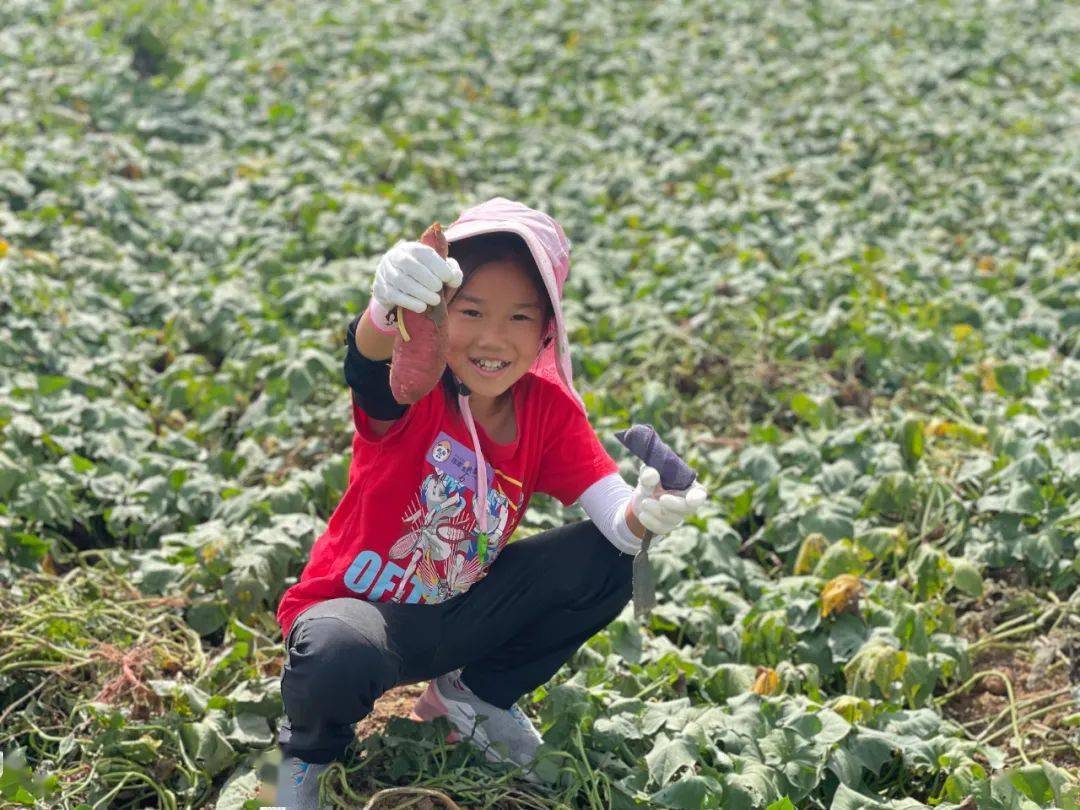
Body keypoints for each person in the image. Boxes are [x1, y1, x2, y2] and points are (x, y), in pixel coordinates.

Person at [275, 197, 708, 808]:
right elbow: (368, 365)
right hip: (360, 613)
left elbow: (613, 510)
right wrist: (381, 310)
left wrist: (652, 506)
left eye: (519, 319)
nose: (492, 339)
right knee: (337, 653)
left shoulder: (544, 411)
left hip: (459, 615)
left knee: (612, 556)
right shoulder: (415, 386)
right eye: (470, 311)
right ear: (435, 314)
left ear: (546, 332)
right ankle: (303, 762)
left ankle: (473, 696)